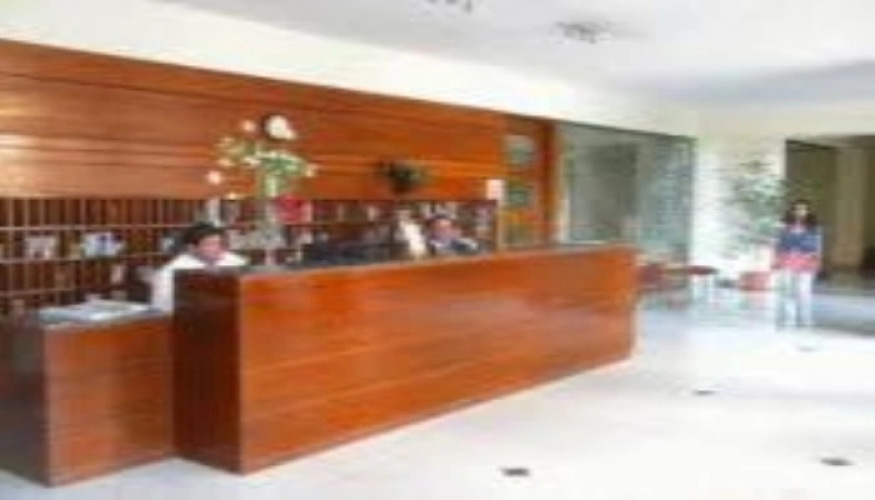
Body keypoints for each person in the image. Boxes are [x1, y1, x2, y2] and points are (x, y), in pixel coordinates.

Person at [150, 222, 247, 312]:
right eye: (210, 244)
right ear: (191, 248)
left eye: (220, 243)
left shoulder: (236, 262)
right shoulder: (170, 271)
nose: (218, 248)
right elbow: (162, 307)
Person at [773, 200, 822, 328]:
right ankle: (783, 317)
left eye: (803, 209)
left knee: (804, 291)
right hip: (786, 258)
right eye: (797, 209)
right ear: (792, 211)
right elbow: (777, 243)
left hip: (806, 260)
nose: (800, 211)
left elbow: (818, 246)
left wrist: (816, 261)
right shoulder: (783, 226)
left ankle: (803, 318)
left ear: (808, 211)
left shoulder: (814, 227)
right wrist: (776, 260)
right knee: (786, 289)